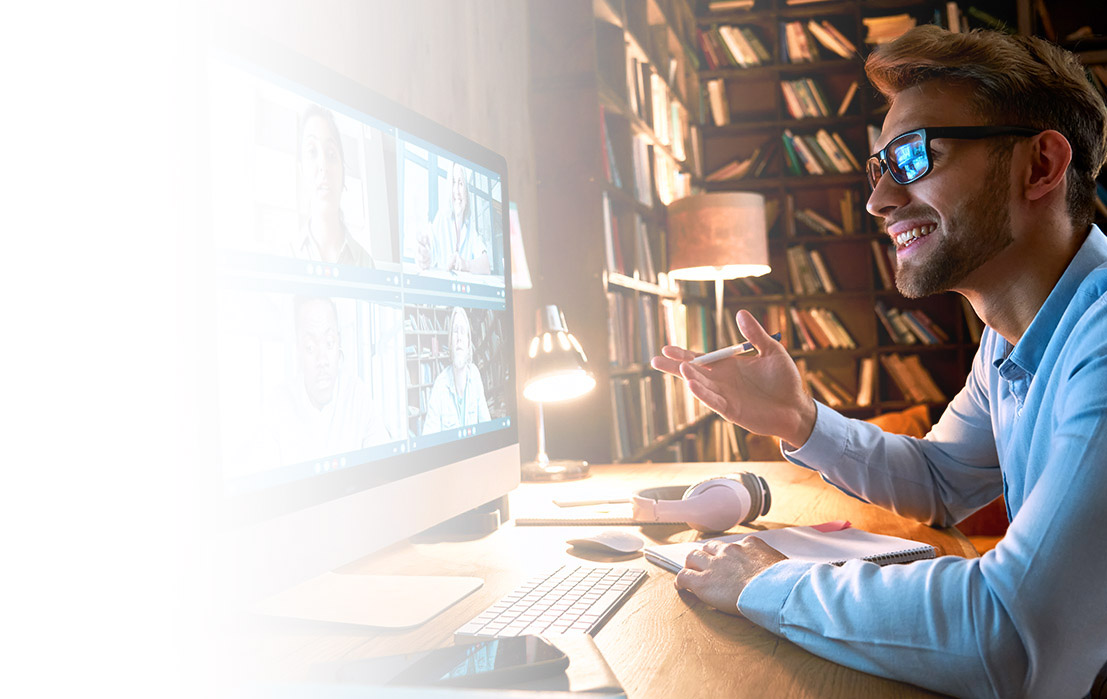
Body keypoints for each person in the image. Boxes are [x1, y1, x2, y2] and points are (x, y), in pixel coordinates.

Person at [652, 26, 1107, 698]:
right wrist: (800, 419)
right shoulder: (1012, 337)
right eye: (877, 168)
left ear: (1039, 166)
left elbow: (1012, 631)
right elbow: (940, 479)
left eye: (914, 157)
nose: (879, 200)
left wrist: (760, 580)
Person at [268, 296, 389, 464]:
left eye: (330, 343)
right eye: (310, 347)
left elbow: (385, 465)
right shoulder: (277, 403)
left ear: (339, 342)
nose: (322, 360)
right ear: (298, 351)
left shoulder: (357, 394)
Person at [291, 104, 375, 268]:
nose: (324, 165)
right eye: (312, 152)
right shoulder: (288, 257)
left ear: (343, 172)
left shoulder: (366, 264)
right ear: (301, 172)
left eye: (331, 154)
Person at [423, 306, 490, 434]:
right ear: (450, 343)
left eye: (463, 331)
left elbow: (486, 426)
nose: (459, 337)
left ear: (468, 343)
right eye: (455, 331)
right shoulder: (439, 385)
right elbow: (429, 438)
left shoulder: (475, 375)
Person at [416, 162, 491, 274]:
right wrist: (424, 255)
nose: (456, 191)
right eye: (453, 183)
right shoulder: (442, 218)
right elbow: (429, 253)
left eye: (460, 183)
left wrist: (465, 264)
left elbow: (486, 266)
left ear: (466, 190)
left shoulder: (470, 225)